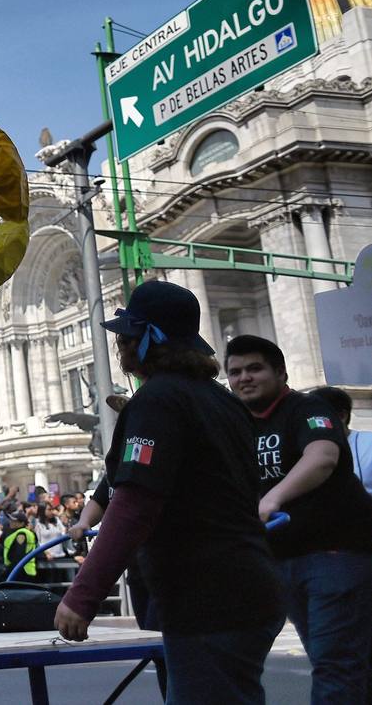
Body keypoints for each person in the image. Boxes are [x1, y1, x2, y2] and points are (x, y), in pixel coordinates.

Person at [56, 280, 283, 704]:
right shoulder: (222, 401)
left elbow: (133, 505)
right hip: (246, 586)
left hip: (208, 597)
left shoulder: (157, 401)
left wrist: (83, 594)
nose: (119, 345)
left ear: (143, 341)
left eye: (125, 336)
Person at [225, 335, 372, 704]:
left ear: (280, 372)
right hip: (281, 560)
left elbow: (322, 457)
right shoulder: (237, 424)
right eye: (235, 371)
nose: (244, 377)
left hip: (335, 554)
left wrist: (274, 496)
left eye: (254, 368)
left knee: (335, 663)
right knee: (345, 662)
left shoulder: (307, 409)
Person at [312, 385, 372, 495]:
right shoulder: (304, 451)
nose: (313, 424)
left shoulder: (369, 443)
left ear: (342, 416)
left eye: (319, 418)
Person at [1, 511, 36, 578]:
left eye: (14, 521)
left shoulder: (21, 534)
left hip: (20, 570)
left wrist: (8, 570)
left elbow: (19, 555)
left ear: (22, 523)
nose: (11, 522)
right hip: (21, 569)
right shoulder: (18, 532)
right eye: (10, 520)